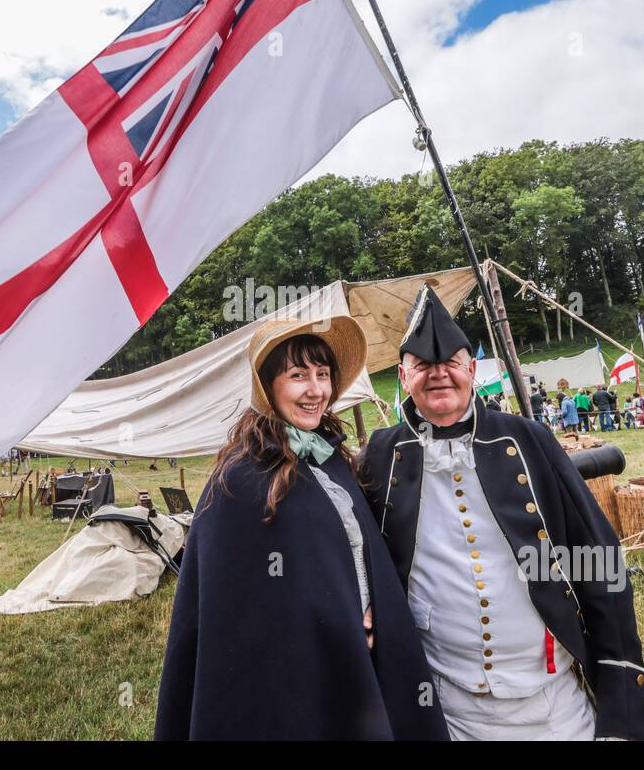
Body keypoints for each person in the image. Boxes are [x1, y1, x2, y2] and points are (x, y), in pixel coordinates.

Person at [358, 286, 644, 741]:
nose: (438, 375)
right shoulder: (382, 453)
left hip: (552, 704)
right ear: (403, 375)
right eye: (422, 366)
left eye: (451, 364)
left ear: (472, 370)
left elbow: (597, 561)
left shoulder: (528, 439)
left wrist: (622, 706)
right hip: (444, 706)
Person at [155, 317, 448, 740]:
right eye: (298, 376)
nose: (316, 390)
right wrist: (337, 626)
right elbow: (240, 615)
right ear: (269, 387)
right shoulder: (242, 479)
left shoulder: (330, 459)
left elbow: (352, 557)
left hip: (360, 658)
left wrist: (371, 608)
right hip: (294, 681)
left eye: (323, 374)